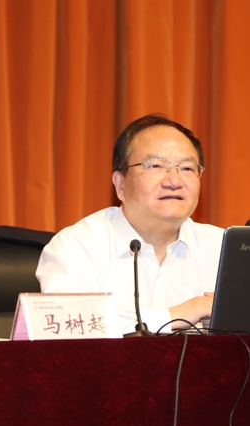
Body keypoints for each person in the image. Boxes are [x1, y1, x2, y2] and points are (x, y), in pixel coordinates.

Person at [36, 114, 224, 335]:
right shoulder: (76, 245)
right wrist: (174, 316)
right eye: (155, 165)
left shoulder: (223, 248)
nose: (174, 181)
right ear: (120, 184)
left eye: (187, 168)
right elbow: (67, 327)